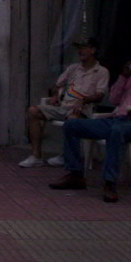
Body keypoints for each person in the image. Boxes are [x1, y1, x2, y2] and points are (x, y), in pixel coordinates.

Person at [49, 45, 131, 202]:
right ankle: (75, 174)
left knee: (116, 131)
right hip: (115, 119)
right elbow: (114, 100)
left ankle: (110, 182)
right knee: (71, 125)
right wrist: (123, 76)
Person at [18, 37, 109, 168]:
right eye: (79, 49)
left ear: (92, 50)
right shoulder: (73, 68)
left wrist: (83, 100)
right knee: (33, 111)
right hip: (63, 106)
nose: (80, 51)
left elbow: (100, 96)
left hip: (83, 109)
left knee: (72, 119)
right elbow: (56, 85)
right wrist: (55, 95)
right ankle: (35, 155)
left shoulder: (102, 71)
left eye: (83, 48)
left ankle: (66, 156)